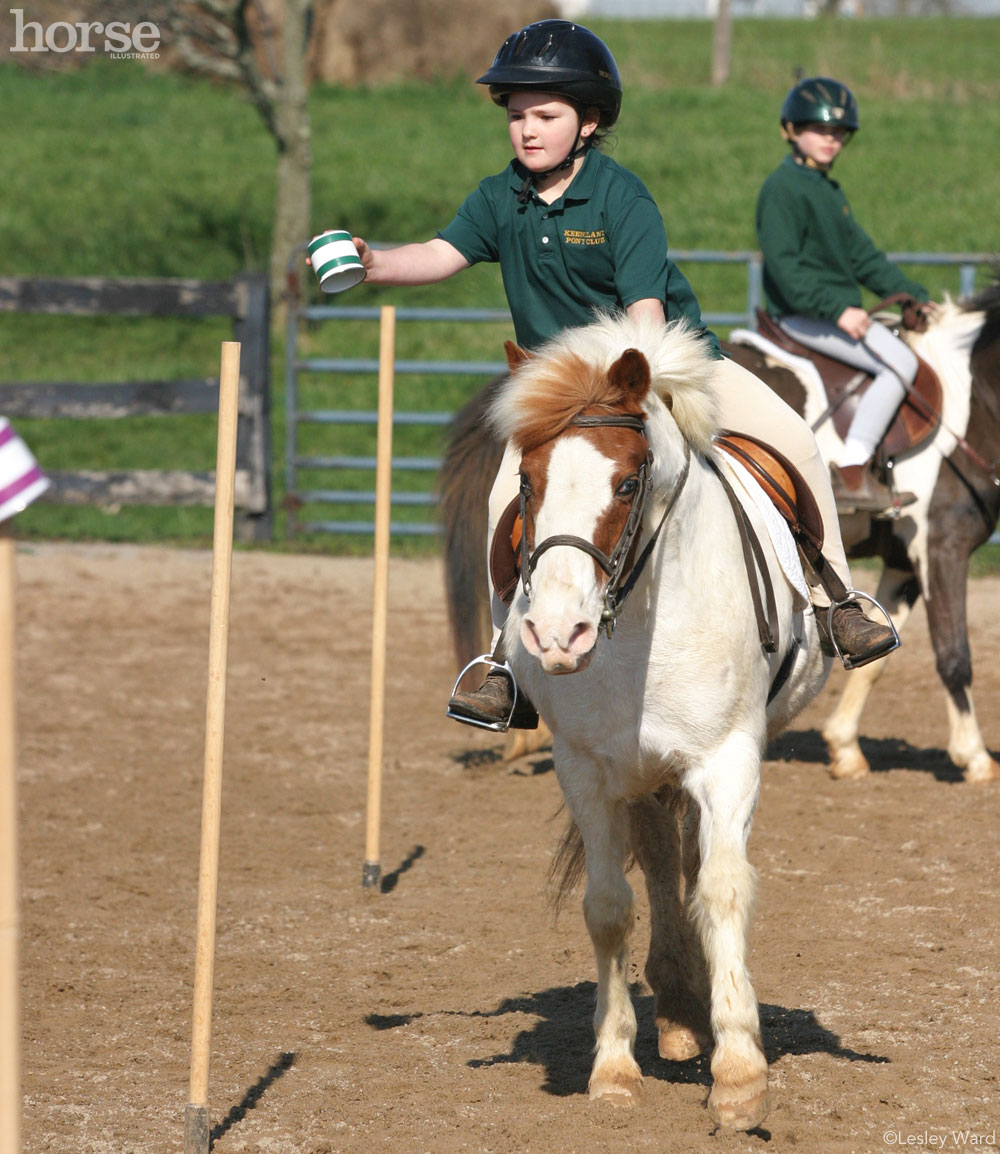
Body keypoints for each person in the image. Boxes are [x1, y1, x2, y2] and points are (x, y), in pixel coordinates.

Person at [317, 21, 900, 730]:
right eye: (516, 115)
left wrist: (644, 394)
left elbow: (648, 315)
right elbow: (440, 254)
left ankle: (837, 603)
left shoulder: (624, 198)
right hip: (561, 393)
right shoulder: (500, 196)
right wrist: (373, 260)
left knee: (796, 440)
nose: (527, 130)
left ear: (589, 121)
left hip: (662, 365)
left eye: (546, 115)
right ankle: (505, 663)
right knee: (507, 504)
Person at [756, 76, 937, 515]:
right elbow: (783, 268)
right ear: (792, 131)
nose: (830, 140)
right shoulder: (782, 188)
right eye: (819, 130)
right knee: (901, 362)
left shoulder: (827, 189)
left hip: (827, 311)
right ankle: (854, 470)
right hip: (803, 315)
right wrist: (838, 310)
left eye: (838, 133)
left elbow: (862, 256)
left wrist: (911, 294)